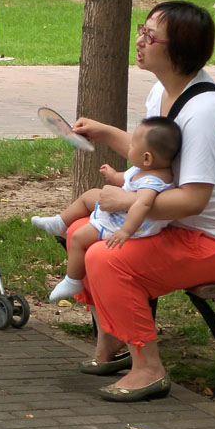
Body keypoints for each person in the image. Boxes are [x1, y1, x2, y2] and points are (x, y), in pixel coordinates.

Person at [69, 1, 215, 402]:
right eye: (143, 29)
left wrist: (126, 202)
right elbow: (151, 160)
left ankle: (148, 368)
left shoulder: (205, 111)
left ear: (177, 51)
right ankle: (111, 343)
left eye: (150, 35)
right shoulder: (163, 91)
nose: (139, 40)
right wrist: (105, 133)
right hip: (180, 228)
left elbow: (193, 199)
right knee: (79, 232)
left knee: (106, 257)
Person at [33, 116, 181, 302]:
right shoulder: (143, 169)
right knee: (90, 195)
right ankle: (59, 222)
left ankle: (72, 280)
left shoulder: (152, 182)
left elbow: (142, 205)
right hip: (121, 211)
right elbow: (126, 179)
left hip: (122, 223)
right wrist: (113, 175)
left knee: (79, 237)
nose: (129, 147)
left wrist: (125, 231)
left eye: (133, 145)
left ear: (147, 158)